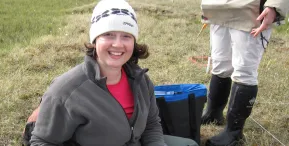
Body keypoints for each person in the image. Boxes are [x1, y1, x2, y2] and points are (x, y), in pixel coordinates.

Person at [26, 0, 198, 146]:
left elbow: (151, 125)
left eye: (126, 36)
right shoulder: (66, 91)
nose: (118, 44)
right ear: (95, 40)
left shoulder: (140, 80)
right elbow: (41, 141)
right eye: (108, 35)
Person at [200, 0, 289, 145]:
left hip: (250, 11)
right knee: (220, 64)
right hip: (217, 8)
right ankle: (213, 113)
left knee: (244, 72)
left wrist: (274, 6)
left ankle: (234, 133)